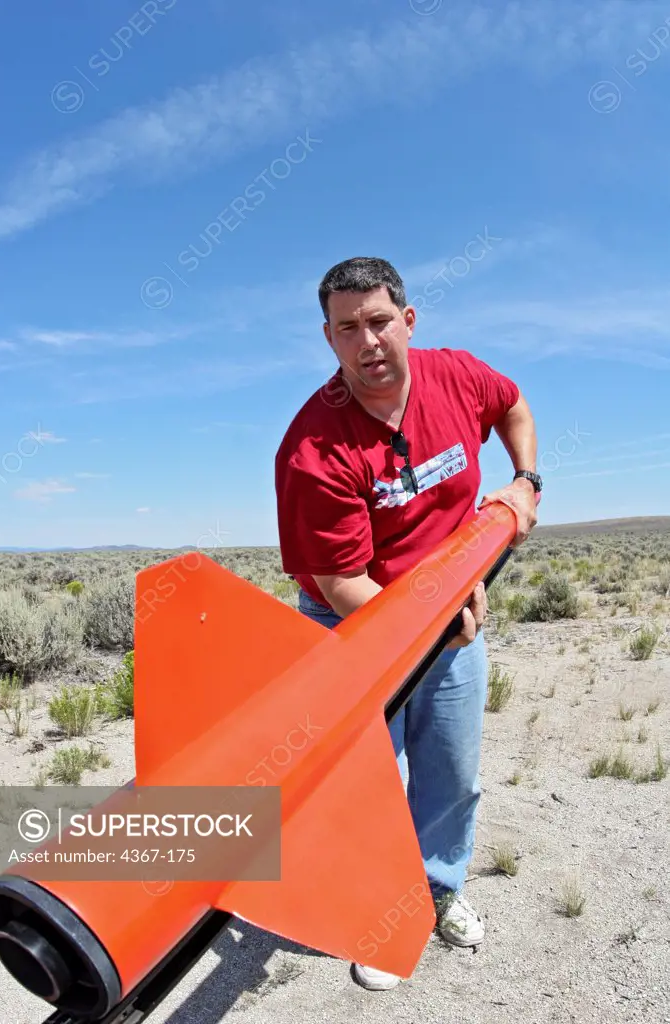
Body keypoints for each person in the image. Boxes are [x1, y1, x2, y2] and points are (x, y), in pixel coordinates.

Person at [274, 257, 539, 990]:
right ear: (329, 339)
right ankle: (378, 912)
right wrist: (429, 621)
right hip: (351, 617)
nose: (369, 341)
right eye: (348, 328)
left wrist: (526, 480)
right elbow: (341, 581)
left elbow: (513, 406)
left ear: (409, 321)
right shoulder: (312, 449)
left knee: (451, 767)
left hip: (450, 603)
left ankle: (438, 890)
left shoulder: (455, 375)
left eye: (380, 320)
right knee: (371, 781)